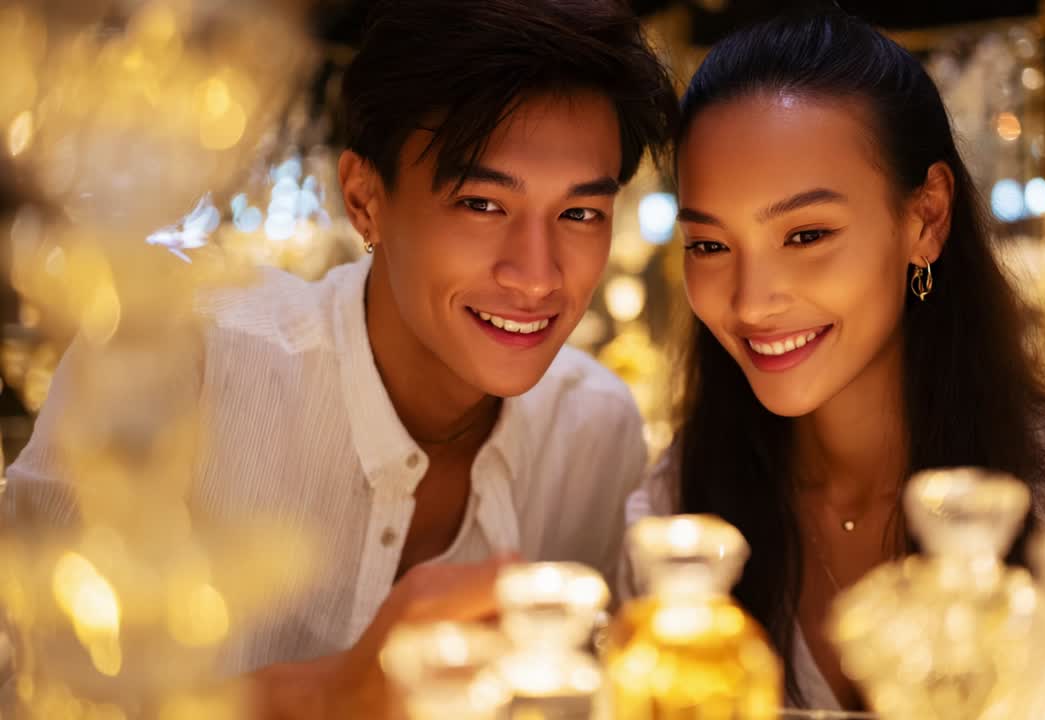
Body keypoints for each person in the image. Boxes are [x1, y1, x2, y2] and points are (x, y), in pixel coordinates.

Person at [3, 0, 677, 716]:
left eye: (579, 214)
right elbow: (24, 686)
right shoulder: (180, 360)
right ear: (364, 200)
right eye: (482, 204)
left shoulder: (595, 432)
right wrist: (327, 693)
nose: (537, 275)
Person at [625, 9, 1045, 712]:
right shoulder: (677, 516)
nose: (752, 301)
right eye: (709, 245)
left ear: (926, 218)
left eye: (806, 234)